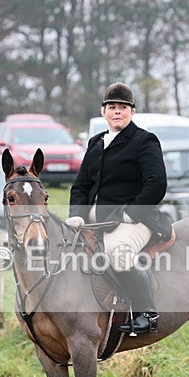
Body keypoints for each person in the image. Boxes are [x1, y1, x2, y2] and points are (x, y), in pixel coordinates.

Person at [67, 82, 172, 334]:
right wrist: (76, 216)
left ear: (132, 112)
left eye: (123, 107)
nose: (117, 112)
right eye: (112, 107)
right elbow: (81, 185)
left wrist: (131, 212)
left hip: (135, 218)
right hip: (98, 215)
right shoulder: (95, 142)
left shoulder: (144, 141)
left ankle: (147, 313)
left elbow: (156, 183)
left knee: (117, 252)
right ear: (104, 112)